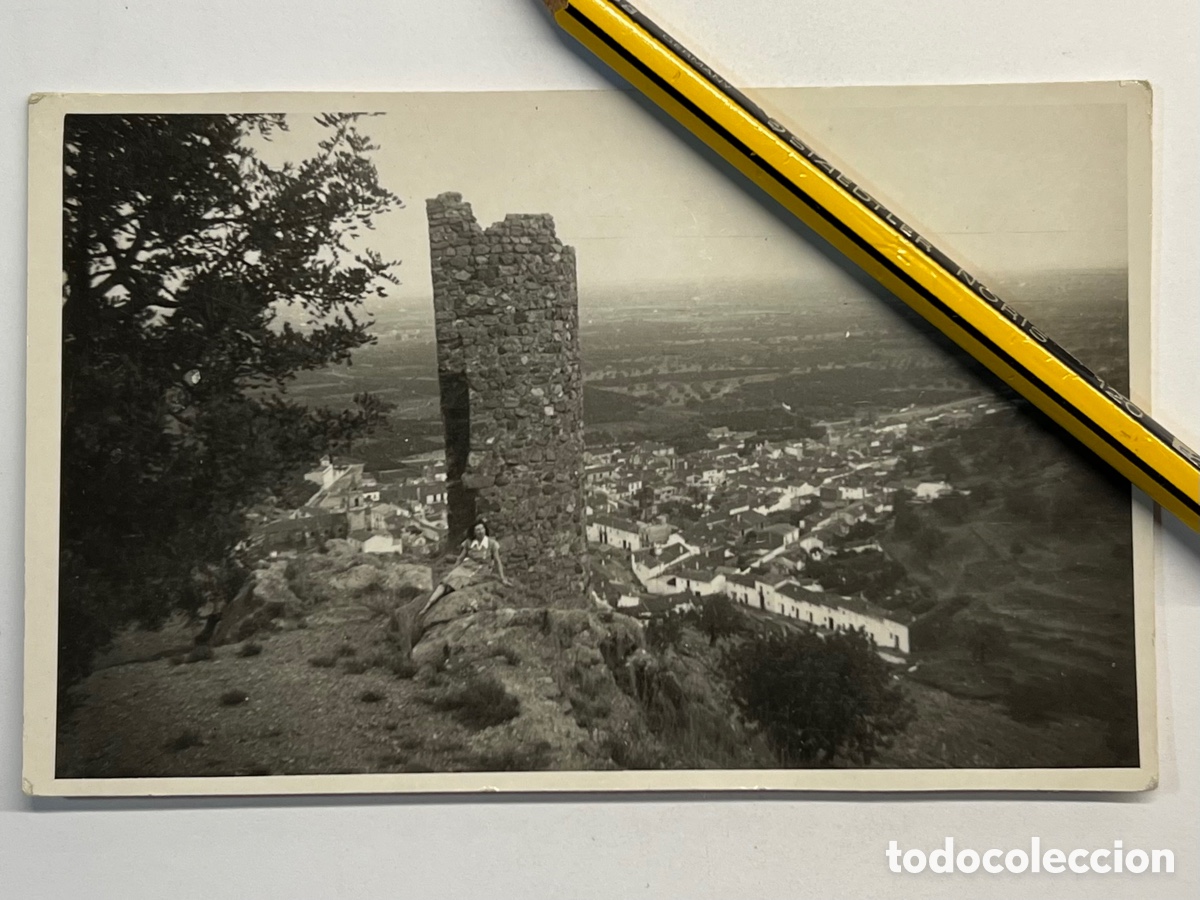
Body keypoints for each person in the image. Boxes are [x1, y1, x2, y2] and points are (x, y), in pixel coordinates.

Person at [420, 521, 510, 616]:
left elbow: (497, 561)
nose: (481, 531)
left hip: (481, 569)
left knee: (460, 580)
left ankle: (446, 597)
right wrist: (453, 570)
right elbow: (460, 558)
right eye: (478, 529)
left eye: (482, 529)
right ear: (474, 532)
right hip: (467, 565)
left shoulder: (491, 543)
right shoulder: (469, 542)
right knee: (447, 580)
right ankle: (428, 605)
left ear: (485, 530)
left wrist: (503, 578)